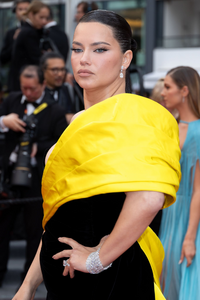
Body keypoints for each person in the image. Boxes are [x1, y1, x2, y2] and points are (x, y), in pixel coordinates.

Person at [12, 10, 181, 300]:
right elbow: (58, 218)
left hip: (109, 282)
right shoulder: (77, 120)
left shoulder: (135, 114)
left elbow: (149, 197)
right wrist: (28, 286)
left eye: (99, 49)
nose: (83, 59)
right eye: (77, 49)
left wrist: (97, 258)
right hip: (67, 282)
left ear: (126, 59)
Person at [0, 65, 67, 287]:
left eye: (32, 88)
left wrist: (39, 146)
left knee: (34, 232)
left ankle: (28, 282)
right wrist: (3, 121)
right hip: (8, 177)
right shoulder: (11, 102)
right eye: (23, 88)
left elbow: (62, 143)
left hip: (36, 181)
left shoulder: (55, 110)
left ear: (43, 85)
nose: (27, 93)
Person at [159, 66, 200, 300]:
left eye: (167, 87)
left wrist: (190, 237)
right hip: (170, 211)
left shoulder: (198, 132)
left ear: (184, 90)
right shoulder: (170, 126)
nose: (163, 92)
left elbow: (199, 190)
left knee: (187, 278)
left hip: (190, 216)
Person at [9, 0, 50, 92]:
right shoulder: (29, 33)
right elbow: (36, 59)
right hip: (25, 84)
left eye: (46, 18)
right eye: (41, 17)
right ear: (31, 15)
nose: (44, 21)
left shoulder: (28, 30)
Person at [0, 0, 31, 92]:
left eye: (26, 9)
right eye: (20, 9)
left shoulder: (37, 31)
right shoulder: (11, 33)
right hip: (15, 83)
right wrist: (15, 41)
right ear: (15, 11)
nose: (23, 12)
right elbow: (3, 58)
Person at [40, 52, 75, 124]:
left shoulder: (67, 89)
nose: (60, 74)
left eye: (62, 70)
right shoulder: (37, 92)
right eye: (55, 70)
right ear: (43, 70)